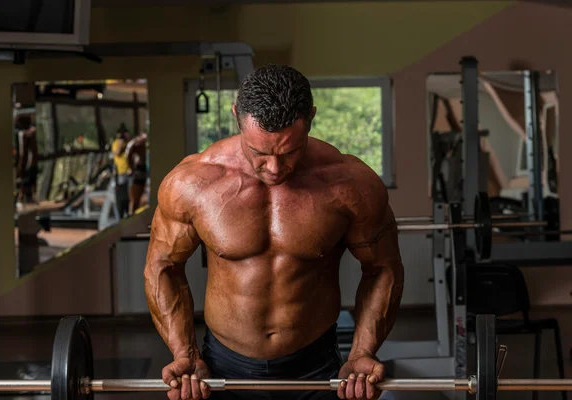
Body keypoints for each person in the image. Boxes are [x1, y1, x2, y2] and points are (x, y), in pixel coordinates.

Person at [144, 64, 404, 400]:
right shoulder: (192, 183)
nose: (275, 168)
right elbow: (162, 266)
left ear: (310, 118)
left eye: (290, 152)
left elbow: (383, 268)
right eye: (260, 153)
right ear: (238, 116)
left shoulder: (351, 183)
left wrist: (361, 352)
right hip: (221, 366)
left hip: (317, 363)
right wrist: (185, 353)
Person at [15, 114, 39, 208]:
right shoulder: (34, 132)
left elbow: (23, 153)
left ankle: (22, 201)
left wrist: (20, 169)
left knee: (24, 183)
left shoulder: (23, 134)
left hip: (28, 164)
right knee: (32, 184)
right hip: (35, 162)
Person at [126, 131, 149, 214]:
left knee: (139, 198)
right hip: (139, 169)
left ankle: (133, 214)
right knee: (135, 199)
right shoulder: (136, 143)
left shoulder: (143, 143)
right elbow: (128, 154)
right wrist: (131, 167)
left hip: (144, 169)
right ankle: (131, 215)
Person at [111, 124, 131, 218]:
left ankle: (128, 211)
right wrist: (121, 142)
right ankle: (122, 213)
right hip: (122, 172)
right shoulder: (116, 143)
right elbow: (117, 153)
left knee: (130, 193)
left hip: (129, 171)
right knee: (122, 193)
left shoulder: (128, 144)